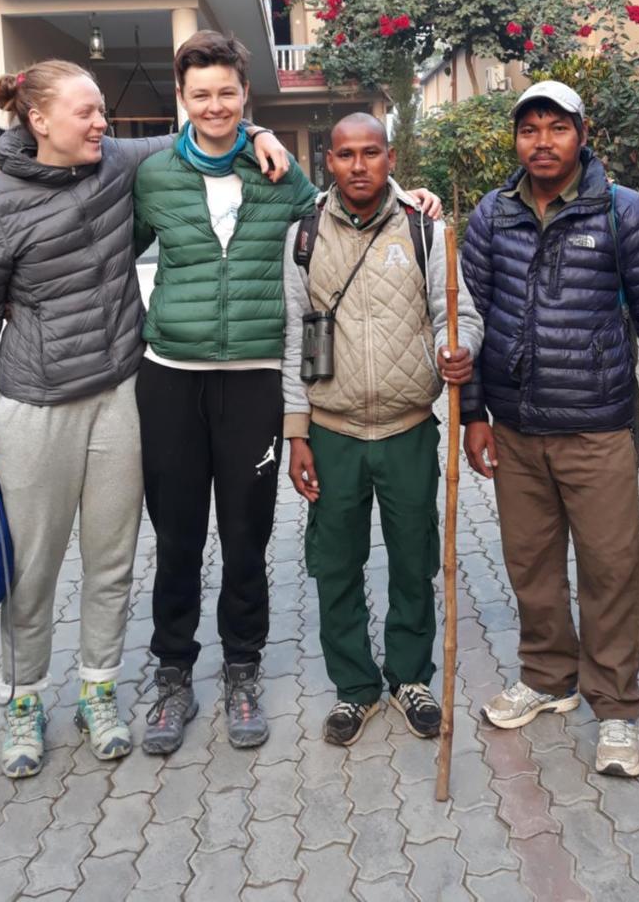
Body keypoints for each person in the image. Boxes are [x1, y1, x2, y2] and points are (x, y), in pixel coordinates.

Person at [0, 59, 286, 779]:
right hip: (34, 403)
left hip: (118, 394)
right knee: (34, 567)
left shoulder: (115, 164)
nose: (103, 124)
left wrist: (259, 129)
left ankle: (98, 690)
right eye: (88, 113)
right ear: (39, 120)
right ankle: (23, 700)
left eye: (103, 111)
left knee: (111, 562)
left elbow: (206, 127)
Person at [133, 39, 442, 755]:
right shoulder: (150, 174)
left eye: (227, 94)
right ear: (183, 98)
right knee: (176, 537)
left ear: (248, 97)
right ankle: (173, 675)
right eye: (200, 94)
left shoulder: (282, 177)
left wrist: (415, 197)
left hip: (252, 382)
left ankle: (242, 671)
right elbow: (114, 245)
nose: (214, 106)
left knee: (246, 536)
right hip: (172, 375)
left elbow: (347, 206)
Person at [461, 80, 639, 779]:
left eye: (555, 127)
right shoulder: (492, 216)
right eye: (528, 129)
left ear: (582, 134)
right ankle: (548, 676)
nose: (541, 141)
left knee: (612, 568)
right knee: (530, 564)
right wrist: (473, 413)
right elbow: (463, 319)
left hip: (596, 427)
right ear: (516, 140)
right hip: (518, 428)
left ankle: (617, 709)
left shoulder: (624, 214)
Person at [281, 113, 483, 746]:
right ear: (330, 163)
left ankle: (410, 677)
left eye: (371, 152)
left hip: (408, 428)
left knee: (413, 559)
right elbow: (293, 338)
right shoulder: (303, 236)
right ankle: (354, 688)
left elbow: (457, 313)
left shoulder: (426, 229)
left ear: (390, 157)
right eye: (345, 155)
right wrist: (296, 433)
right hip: (334, 430)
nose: (359, 165)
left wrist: (459, 350)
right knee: (335, 563)